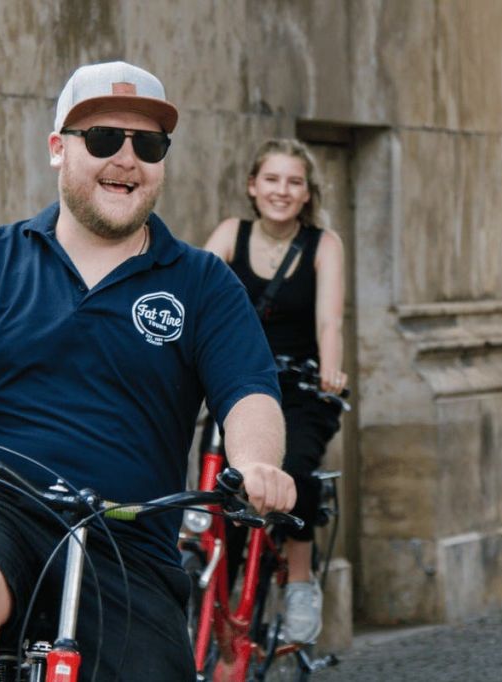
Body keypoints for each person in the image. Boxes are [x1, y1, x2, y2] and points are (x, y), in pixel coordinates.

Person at [0, 61, 297, 682]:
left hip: (129, 540)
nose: (127, 158)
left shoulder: (202, 282)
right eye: (103, 139)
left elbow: (249, 392)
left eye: (147, 144)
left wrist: (256, 465)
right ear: (59, 149)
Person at [203, 138, 347, 645]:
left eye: (294, 182)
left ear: (307, 194)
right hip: (235, 384)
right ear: (252, 186)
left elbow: (329, 322)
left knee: (298, 471)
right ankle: (217, 615)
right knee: (223, 488)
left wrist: (330, 370)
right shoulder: (229, 235)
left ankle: (302, 582)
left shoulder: (322, 246)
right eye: (271, 180)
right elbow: (195, 296)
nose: (281, 191)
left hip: (300, 386)